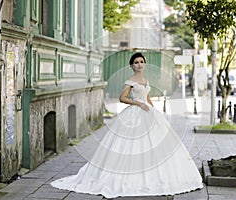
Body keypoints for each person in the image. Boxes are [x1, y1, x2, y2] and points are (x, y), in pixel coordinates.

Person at [50, 52, 203, 198]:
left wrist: (153, 111)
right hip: (135, 113)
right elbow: (122, 98)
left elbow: (147, 97)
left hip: (147, 112)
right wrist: (138, 104)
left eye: (142, 62)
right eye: (136, 62)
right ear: (132, 66)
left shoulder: (146, 80)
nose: (139, 64)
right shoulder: (130, 81)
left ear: (145, 64)